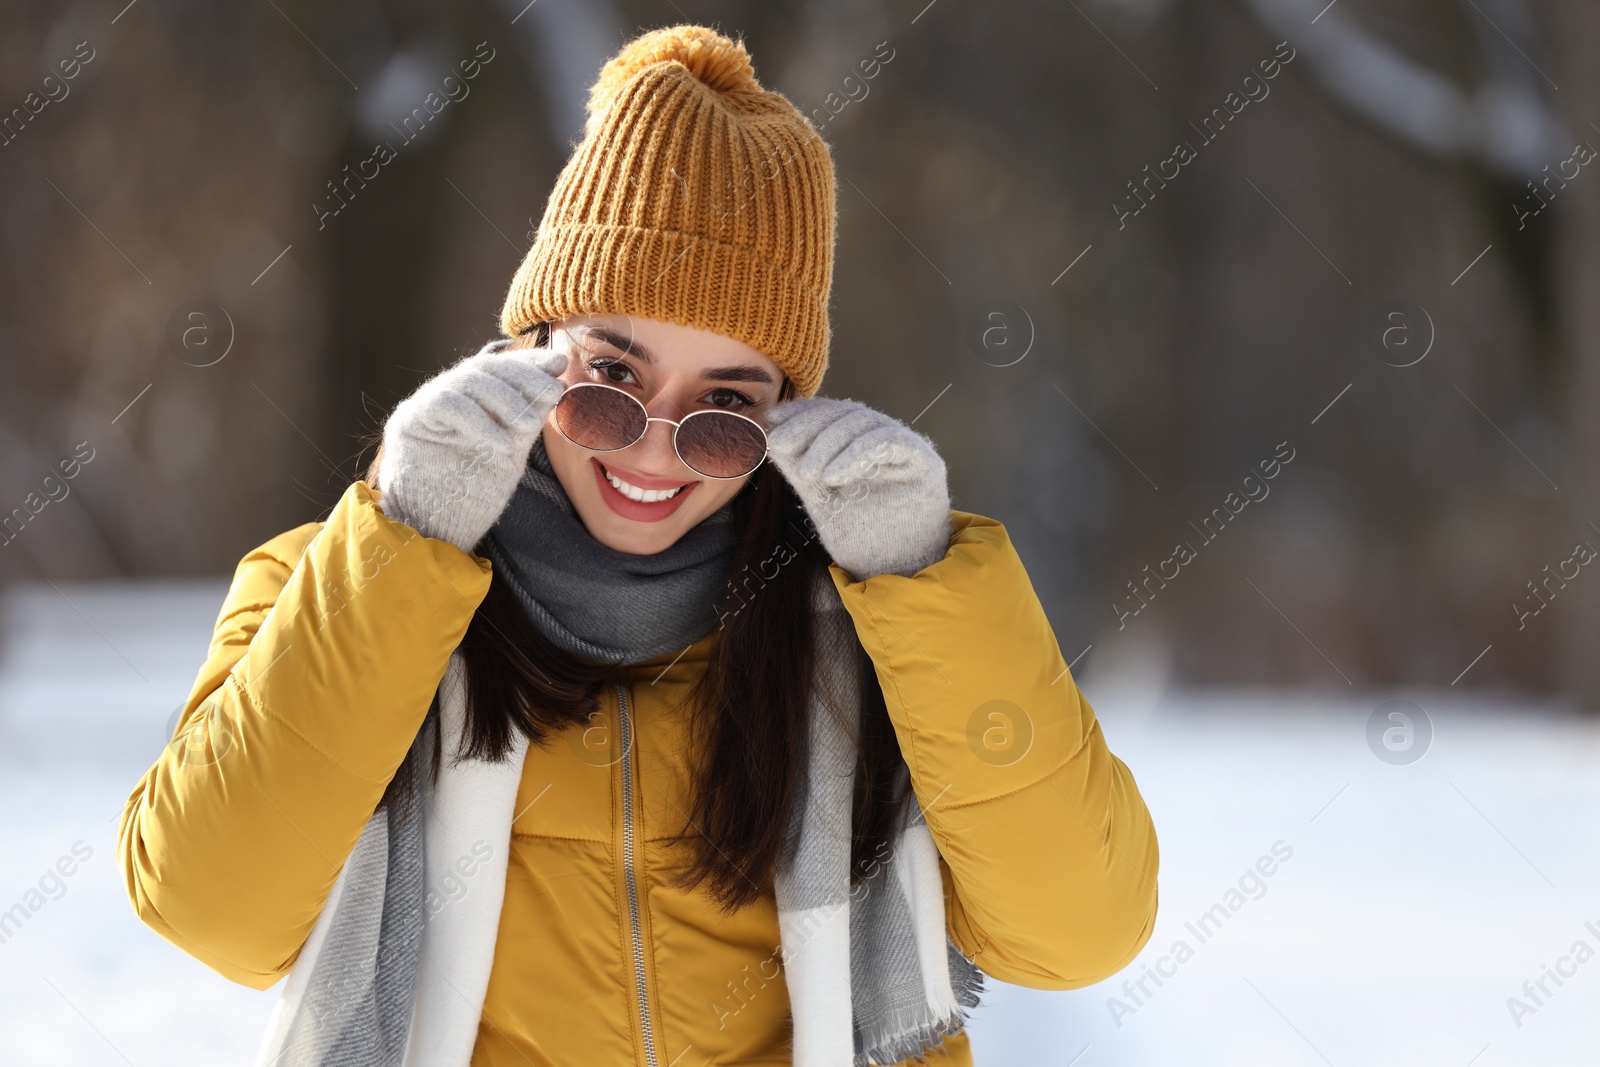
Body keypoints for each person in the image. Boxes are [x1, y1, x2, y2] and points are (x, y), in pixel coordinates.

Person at [117, 24, 1158, 1067]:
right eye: (610, 379)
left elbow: (1078, 930)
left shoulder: (874, 626)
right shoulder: (330, 578)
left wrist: (922, 580)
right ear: (531, 353)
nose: (658, 448)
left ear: (784, 421)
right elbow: (211, 906)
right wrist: (405, 544)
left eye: (725, 410)